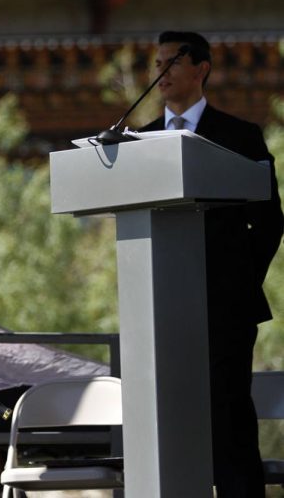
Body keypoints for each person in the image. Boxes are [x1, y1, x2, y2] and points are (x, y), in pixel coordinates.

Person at [139, 30, 283, 496]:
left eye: (172, 63)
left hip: (224, 305)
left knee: (227, 415)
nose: (161, 72)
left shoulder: (240, 137)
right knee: (167, 413)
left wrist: (237, 282)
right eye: (157, 62)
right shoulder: (136, 144)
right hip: (158, 306)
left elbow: (268, 222)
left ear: (201, 69)